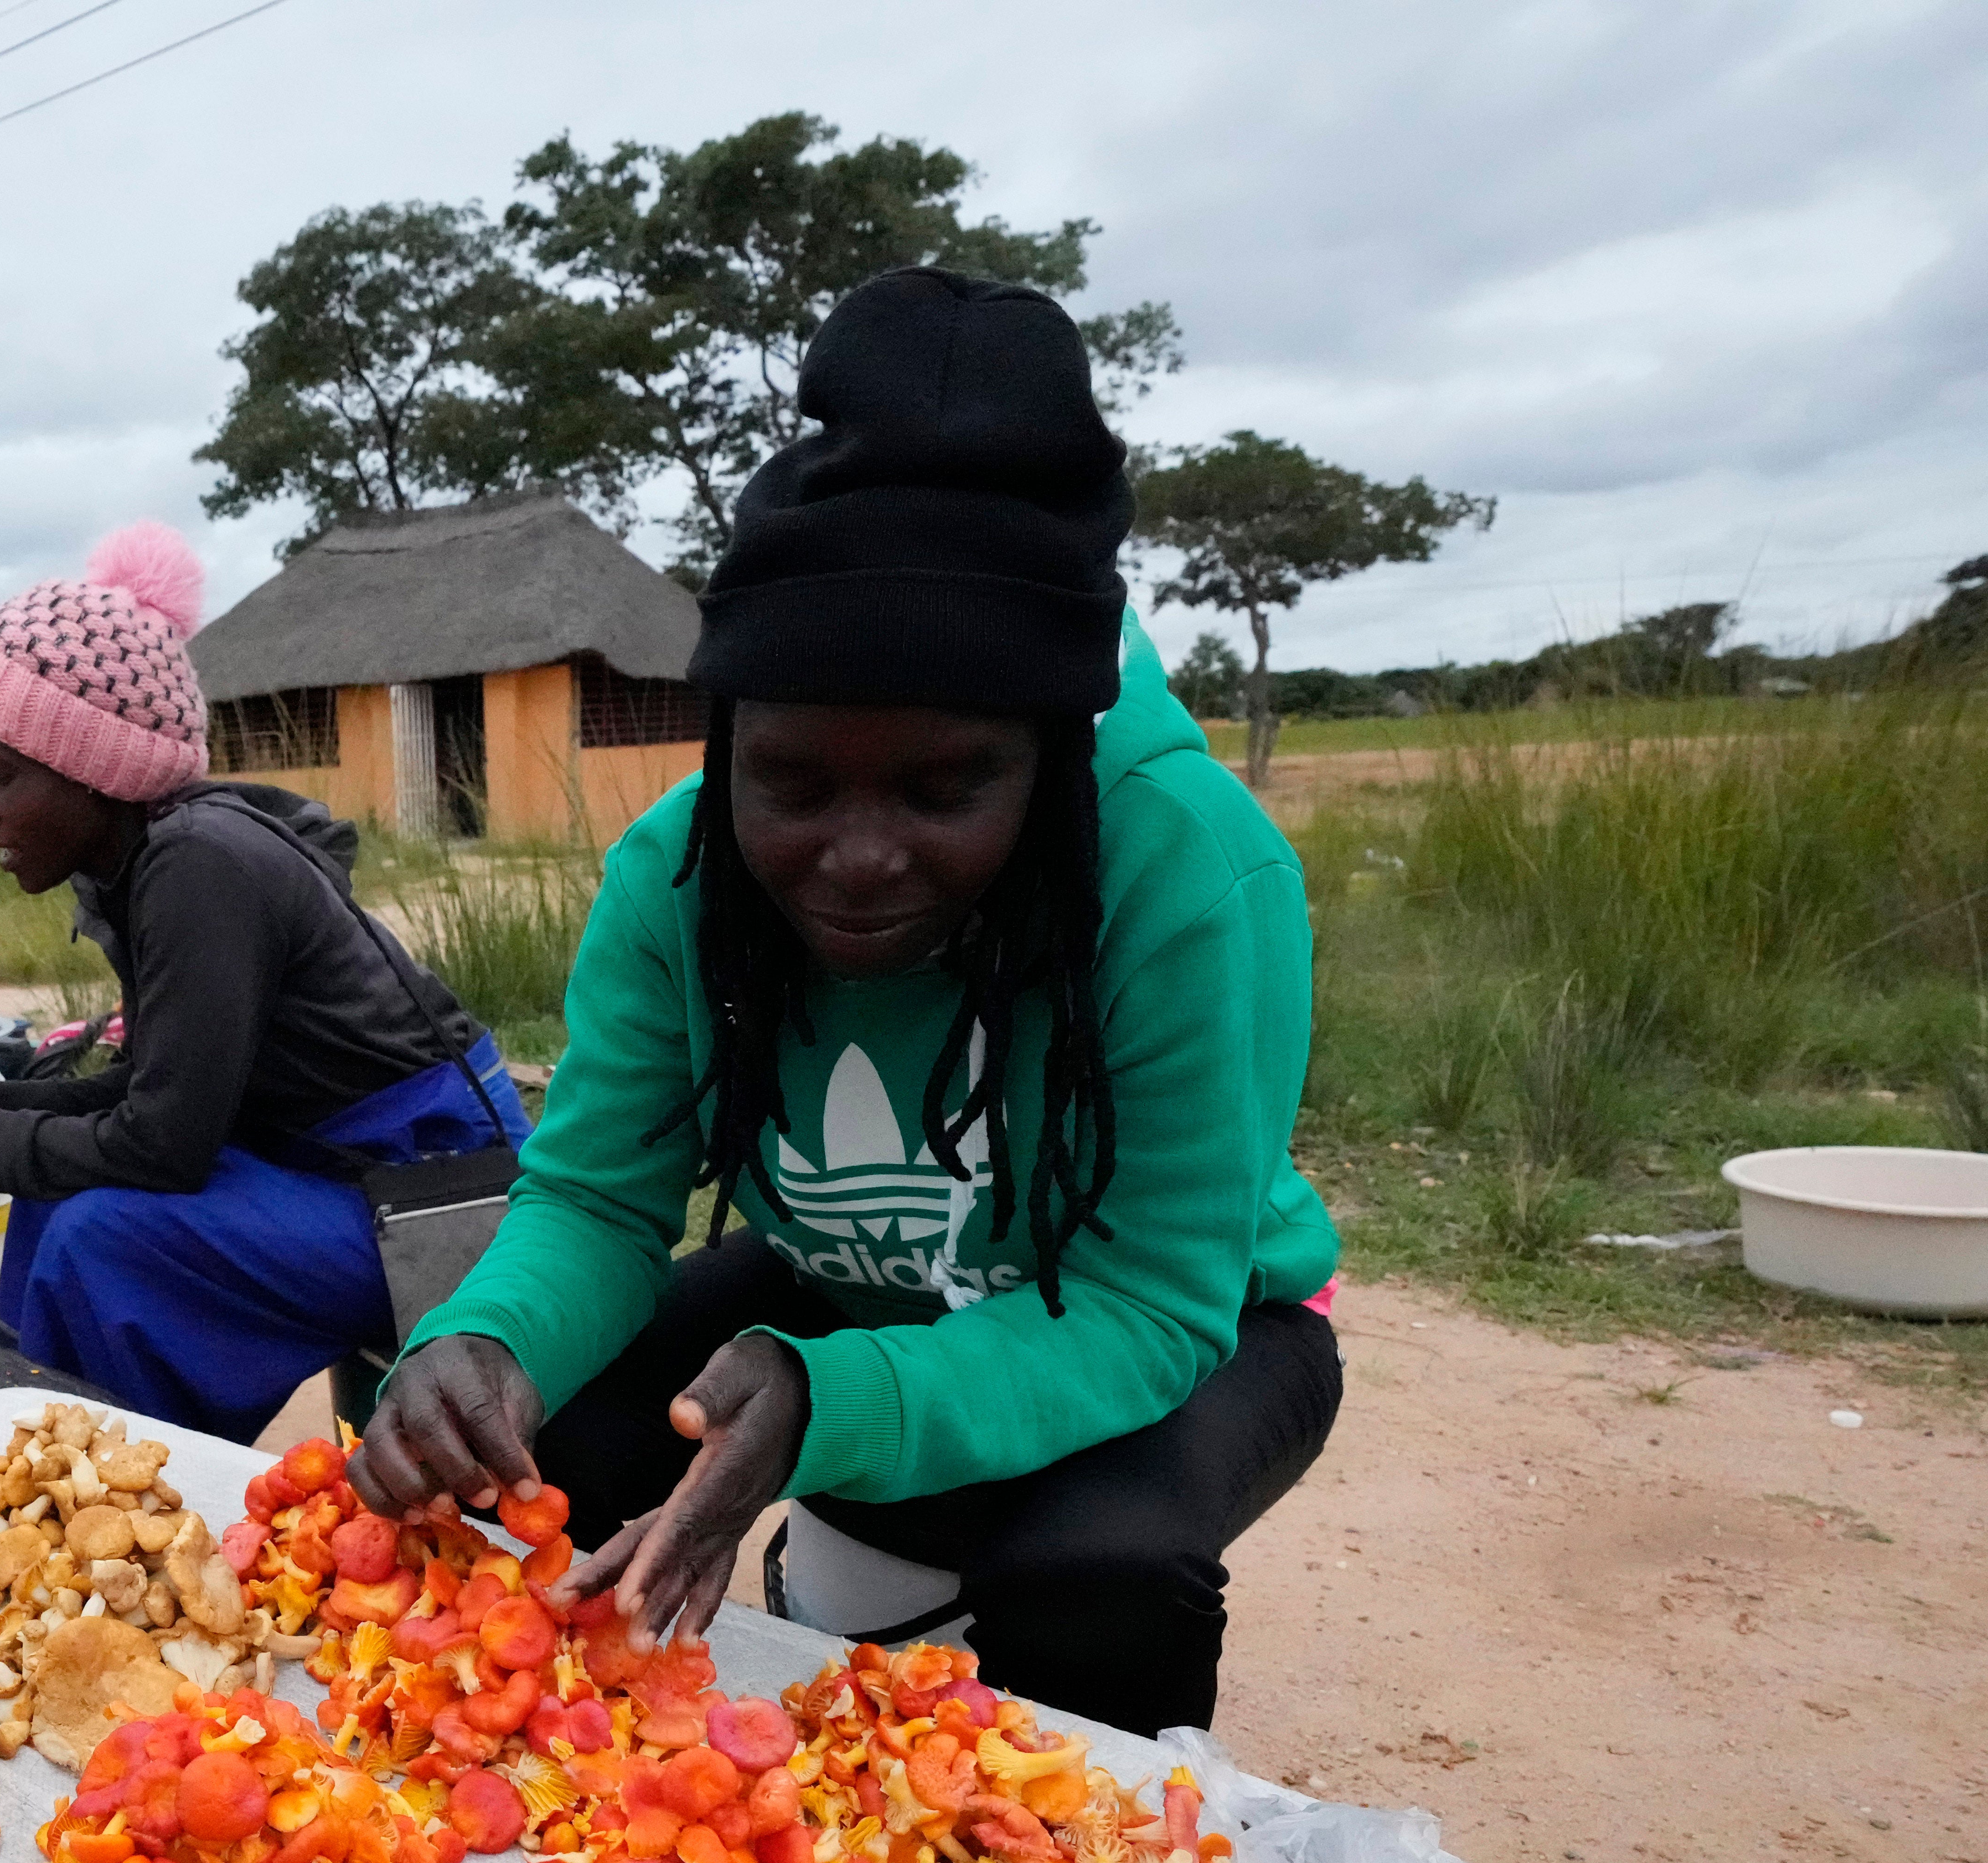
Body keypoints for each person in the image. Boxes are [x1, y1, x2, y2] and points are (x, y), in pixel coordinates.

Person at [348, 269, 1343, 1738]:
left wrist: (833, 1401)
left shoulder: (1187, 875)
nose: (861, 857)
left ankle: (1086, 1858)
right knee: (513, 1446)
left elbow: (1145, 1306)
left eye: (947, 790)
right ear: (728, 744)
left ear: (1051, 764)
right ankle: (548, 1789)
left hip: (1187, 1317)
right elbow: (603, 1203)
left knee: (1098, 1571)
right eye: (793, 785)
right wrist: (485, 1337)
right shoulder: (676, 877)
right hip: (848, 1282)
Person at [0, 525, 527, 1446]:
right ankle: (41, 1449)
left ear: (92, 770)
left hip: (432, 1204)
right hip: (336, 1174)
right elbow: (155, 1091)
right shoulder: (148, 861)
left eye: (0, 775)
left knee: (105, 1239)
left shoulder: (198, 866)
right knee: (50, 1186)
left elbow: (162, 1148)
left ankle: (121, 1485)